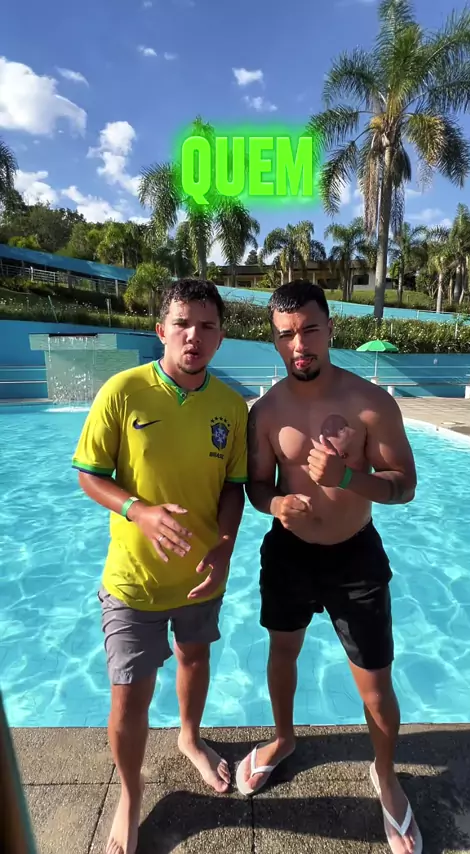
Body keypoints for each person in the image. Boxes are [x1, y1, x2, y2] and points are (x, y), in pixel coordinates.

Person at [237, 281, 422, 854]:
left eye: (310, 330)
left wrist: (347, 478)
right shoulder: (266, 412)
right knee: (282, 654)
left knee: (375, 684)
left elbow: (405, 486)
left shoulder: (371, 403)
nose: (299, 344)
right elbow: (256, 486)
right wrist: (275, 504)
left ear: (329, 329)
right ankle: (284, 739)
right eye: (286, 334)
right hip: (289, 553)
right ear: (275, 340)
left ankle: (385, 774)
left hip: (354, 555)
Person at [72, 278, 248, 854]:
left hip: (200, 575)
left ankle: (190, 738)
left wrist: (224, 547)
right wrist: (138, 511)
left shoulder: (230, 407)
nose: (193, 336)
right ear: (161, 331)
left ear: (220, 337)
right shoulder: (123, 391)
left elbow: (234, 487)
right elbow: (90, 474)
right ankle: (129, 791)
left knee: (195, 657)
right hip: (134, 579)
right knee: (129, 695)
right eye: (182, 324)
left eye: (206, 325)